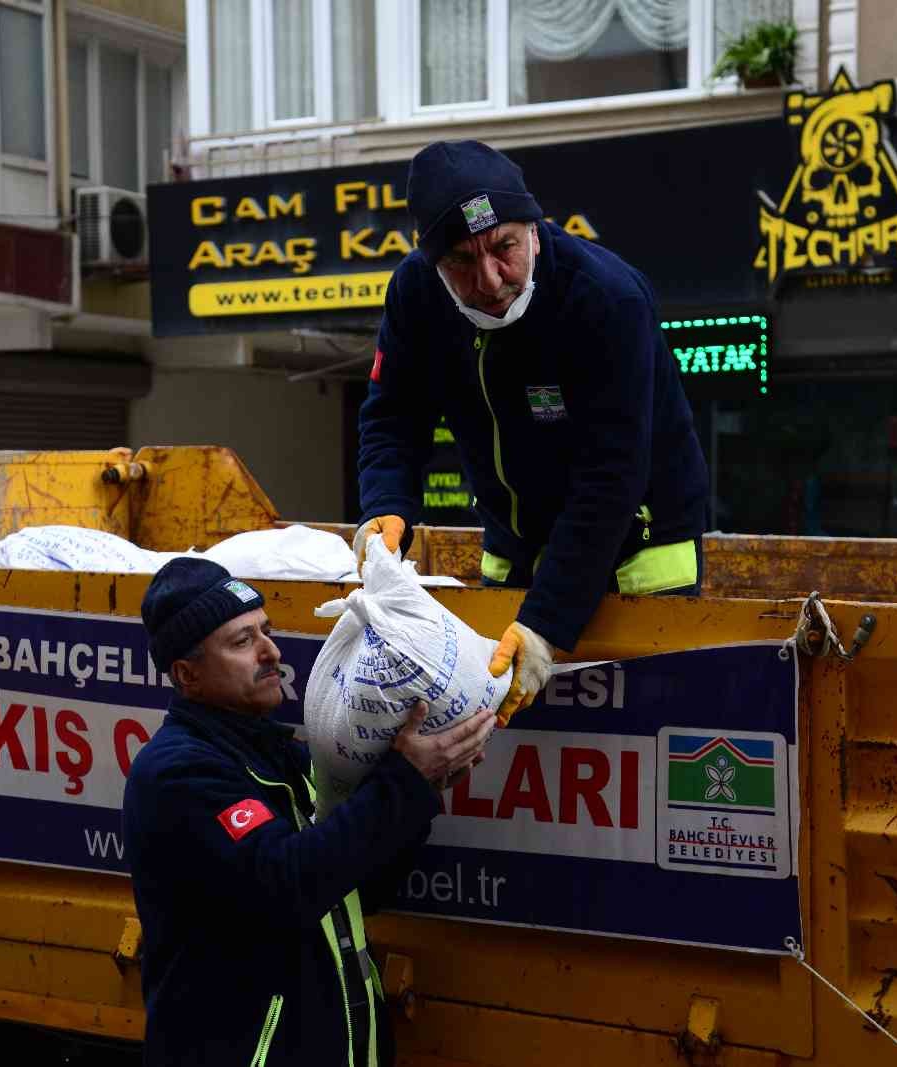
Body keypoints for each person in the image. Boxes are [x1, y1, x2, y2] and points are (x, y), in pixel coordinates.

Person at [355, 140, 710, 720]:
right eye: (461, 264)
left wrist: (546, 621)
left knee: (635, 747)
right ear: (432, 262)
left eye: (504, 248)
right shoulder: (415, 294)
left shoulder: (606, 297)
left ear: (534, 227)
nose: (491, 279)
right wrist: (386, 505)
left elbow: (611, 474)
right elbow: (393, 414)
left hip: (641, 557)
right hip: (512, 549)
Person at [122, 557, 494, 1067]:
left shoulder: (289, 759)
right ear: (188, 675)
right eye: (241, 641)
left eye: (265, 631)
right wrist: (404, 784)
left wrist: (423, 792)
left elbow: (361, 887)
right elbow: (286, 883)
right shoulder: (177, 774)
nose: (270, 651)